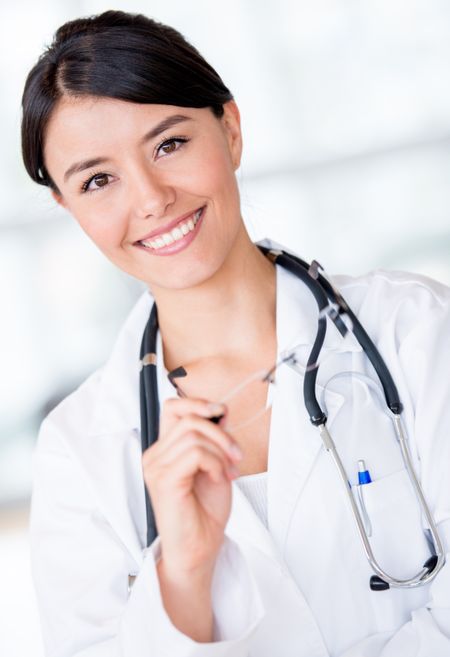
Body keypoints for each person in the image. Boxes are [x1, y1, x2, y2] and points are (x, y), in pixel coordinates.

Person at [21, 9, 450, 657]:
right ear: (67, 205)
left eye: (169, 144)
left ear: (231, 130)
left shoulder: (413, 328)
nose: (151, 199)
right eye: (98, 179)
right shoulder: (79, 450)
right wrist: (184, 572)